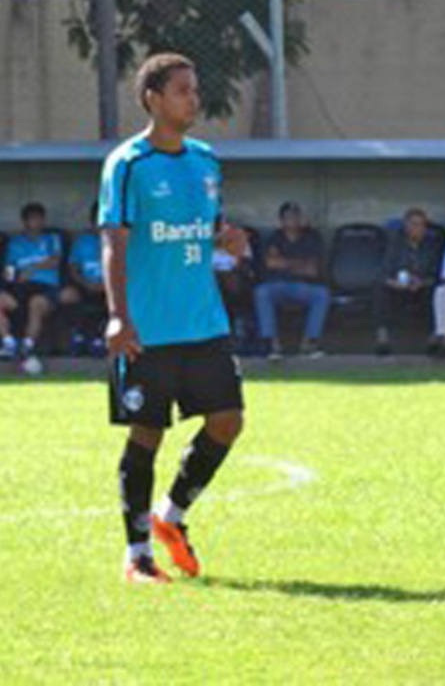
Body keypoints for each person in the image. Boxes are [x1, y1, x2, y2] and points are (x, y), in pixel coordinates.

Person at [100, 52, 248, 584]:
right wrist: (119, 318)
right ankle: (137, 555)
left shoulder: (206, 160)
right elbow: (114, 242)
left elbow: (207, 225)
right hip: (148, 329)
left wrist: (226, 236)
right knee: (147, 434)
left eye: (194, 88)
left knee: (228, 421)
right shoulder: (128, 164)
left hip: (204, 322)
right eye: (182, 90)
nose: (193, 98)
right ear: (153, 99)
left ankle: (171, 516)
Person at [0, 202, 62, 364]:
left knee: (35, 304)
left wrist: (32, 268)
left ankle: (27, 346)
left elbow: (55, 261)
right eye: (31, 219)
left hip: (45, 287)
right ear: (24, 221)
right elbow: (9, 270)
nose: (35, 223)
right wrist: (13, 276)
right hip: (21, 287)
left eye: (38, 219)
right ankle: (9, 344)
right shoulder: (15, 243)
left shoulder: (52, 239)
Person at [254, 202, 330, 361]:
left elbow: (313, 269)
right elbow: (269, 264)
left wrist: (283, 263)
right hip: (277, 286)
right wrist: (299, 264)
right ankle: (271, 345)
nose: (292, 220)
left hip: (305, 287)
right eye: (288, 217)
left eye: (296, 216)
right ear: (281, 220)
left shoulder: (312, 237)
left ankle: (310, 344)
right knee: (261, 292)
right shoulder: (274, 238)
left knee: (322, 294)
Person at [373, 207, 442, 356]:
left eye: (420, 225)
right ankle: (382, 339)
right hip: (397, 288)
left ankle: (434, 341)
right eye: (413, 224)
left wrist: (422, 282)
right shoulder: (394, 244)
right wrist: (394, 282)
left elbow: (437, 273)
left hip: (422, 288)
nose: (416, 228)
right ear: (405, 226)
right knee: (380, 290)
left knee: (437, 293)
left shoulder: (432, 246)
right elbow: (383, 272)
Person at [60, 202, 107, 355]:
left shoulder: (119, 239)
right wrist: (85, 283)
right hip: (85, 285)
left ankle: (100, 338)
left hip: (112, 287)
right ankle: (78, 336)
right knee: (68, 296)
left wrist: (106, 284)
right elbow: (73, 269)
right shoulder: (82, 241)